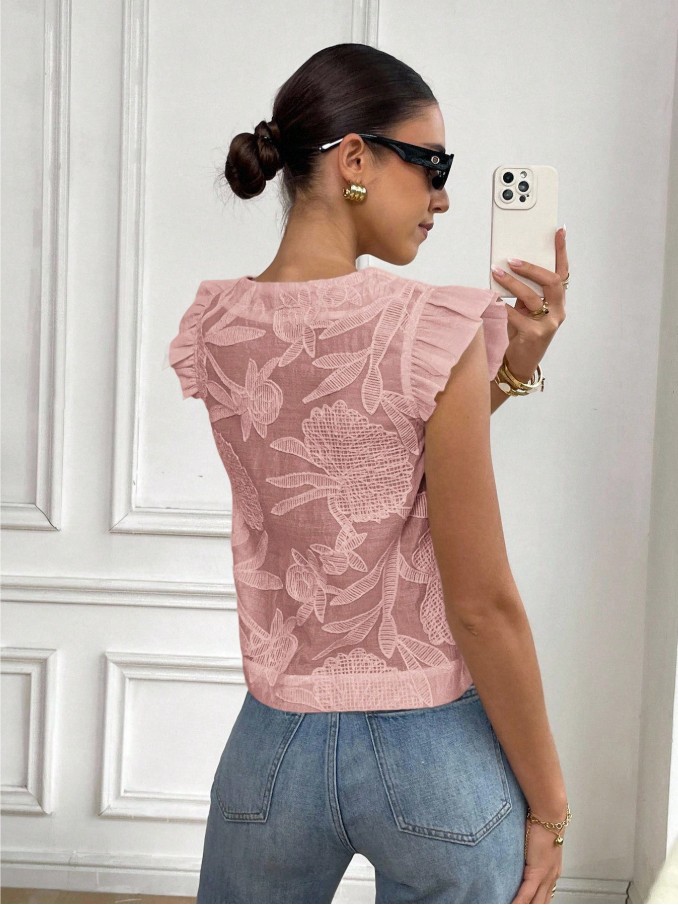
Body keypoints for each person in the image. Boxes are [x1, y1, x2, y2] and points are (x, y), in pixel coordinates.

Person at [168, 42, 571, 905]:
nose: (443, 197)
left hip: (272, 752)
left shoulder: (220, 326)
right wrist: (552, 804)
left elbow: (371, 456)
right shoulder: (432, 323)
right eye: (432, 166)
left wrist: (509, 368)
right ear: (355, 158)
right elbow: (482, 603)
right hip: (431, 756)